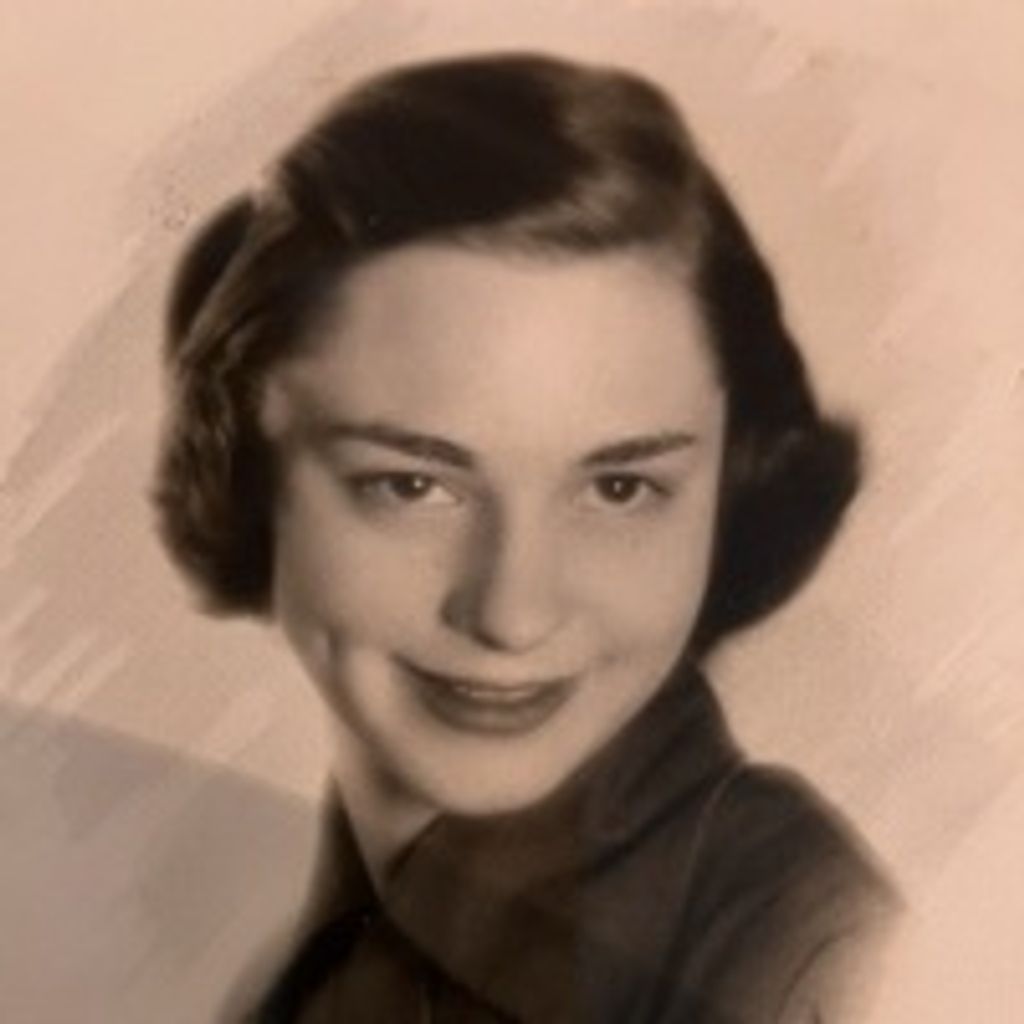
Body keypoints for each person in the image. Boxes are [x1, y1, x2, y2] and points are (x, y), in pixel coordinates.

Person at [154, 53, 899, 1022]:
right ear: (251, 473)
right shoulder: (318, 969)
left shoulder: (817, 957)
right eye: (413, 485)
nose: (513, 612)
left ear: (730, 485)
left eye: (619, 487)